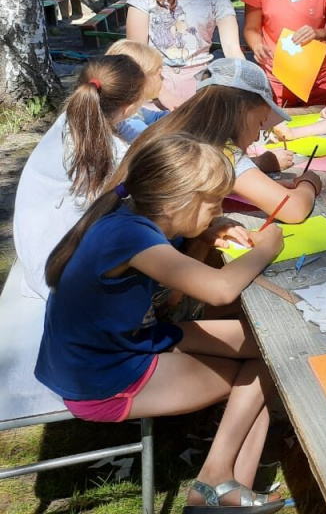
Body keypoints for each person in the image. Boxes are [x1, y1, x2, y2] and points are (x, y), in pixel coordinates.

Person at [35, 135, 284, 514]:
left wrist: (206, 229)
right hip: (102, 377)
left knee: (271, 346)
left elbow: (172, 284)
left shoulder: (127, 218)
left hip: (128, 343)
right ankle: (216, 484)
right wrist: (268, 247)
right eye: (212, 204)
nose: (218, 211)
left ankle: (226, 487)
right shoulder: (132, 236)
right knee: (262, 366)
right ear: (174, 202)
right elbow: (219, 290)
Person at [13, 55, 147, 301]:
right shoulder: (107, 150)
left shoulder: (80, 116)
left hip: (39, 243)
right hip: (58, 270)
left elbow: (131, 134)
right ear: (129, 109)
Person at [125, 58, 321, 224]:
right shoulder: (219, 148)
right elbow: (293, 210)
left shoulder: (173, 124)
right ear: (242, 110)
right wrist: (308, 183)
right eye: (260, 123)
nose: (256, 137)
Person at [105, 40, 167, 143]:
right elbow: (150, 143)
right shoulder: (129, 120)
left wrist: (185, 109)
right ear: (141, 78)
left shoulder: (134, 109)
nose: (162, 77)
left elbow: (157, 117)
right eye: (158, 72)